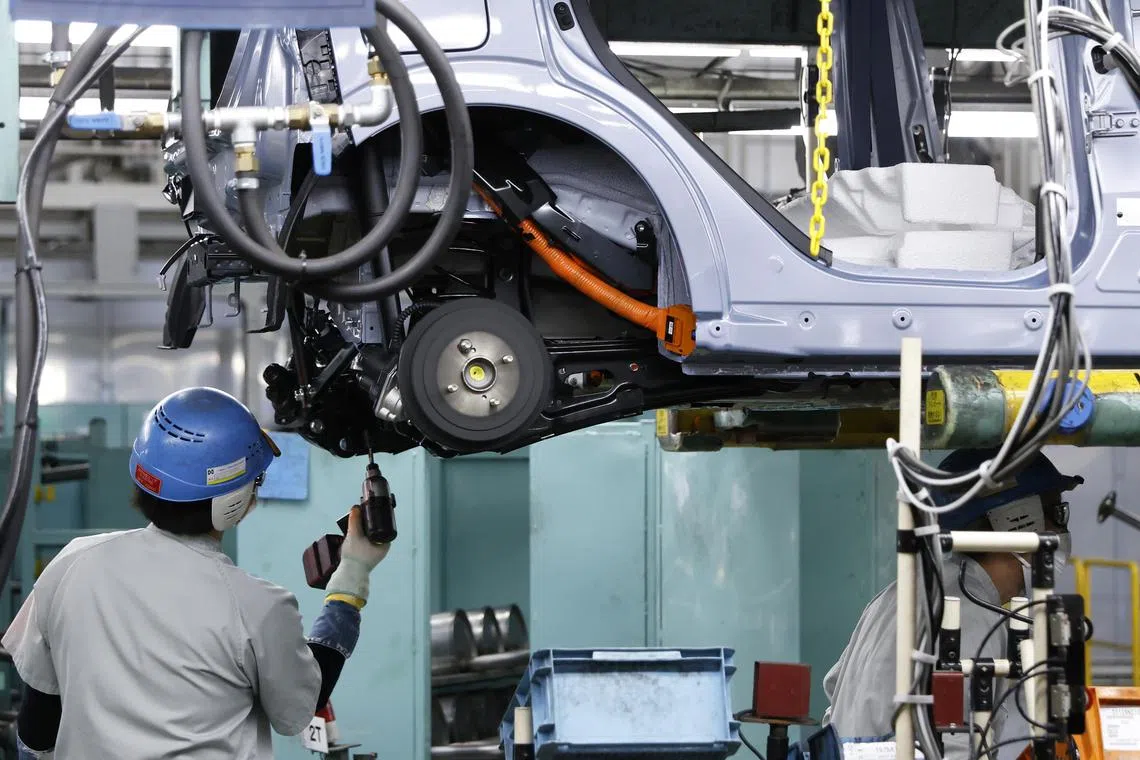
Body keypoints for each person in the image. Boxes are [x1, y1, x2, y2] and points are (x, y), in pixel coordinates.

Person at [1, 387, 389, 759]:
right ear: (233, 502)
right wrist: (350, 579)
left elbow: (37, 725)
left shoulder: (72, 563)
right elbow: (297, 708)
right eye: (255, 482)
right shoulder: (257, 605)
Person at [822, 448, 1082, 759]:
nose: (1061, 529)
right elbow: (956, 739)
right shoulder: (972, 611)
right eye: (1056, 512)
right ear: (1017, 519)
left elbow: (833, 686)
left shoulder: (897, 594)